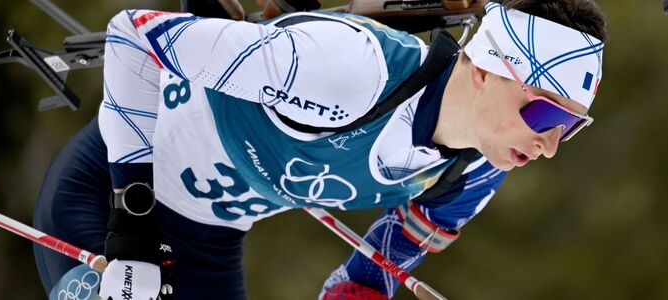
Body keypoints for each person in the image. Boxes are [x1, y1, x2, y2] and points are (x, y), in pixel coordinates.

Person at [31, 0, 607, 299]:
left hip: (208, 245)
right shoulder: (343, 68)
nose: (550, 145)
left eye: (570, 126)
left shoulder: (482, 159)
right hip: (110, 204)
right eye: (546, 112)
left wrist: (358, 290)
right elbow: (134, 35)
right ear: (486, 69)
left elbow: (387, 257)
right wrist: (130, 226)